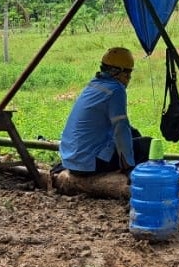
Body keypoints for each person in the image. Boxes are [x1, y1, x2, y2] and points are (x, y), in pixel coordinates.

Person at [58, 47, 149, 176]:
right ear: (120, 73)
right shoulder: (115, 90)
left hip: (71, 160)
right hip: (88, 165)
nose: (129, 78)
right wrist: (128, 165)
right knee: (147, 145)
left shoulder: (94, 85)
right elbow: (120, 128)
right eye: (128, 74)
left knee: (132, 132)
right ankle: (134, 182)